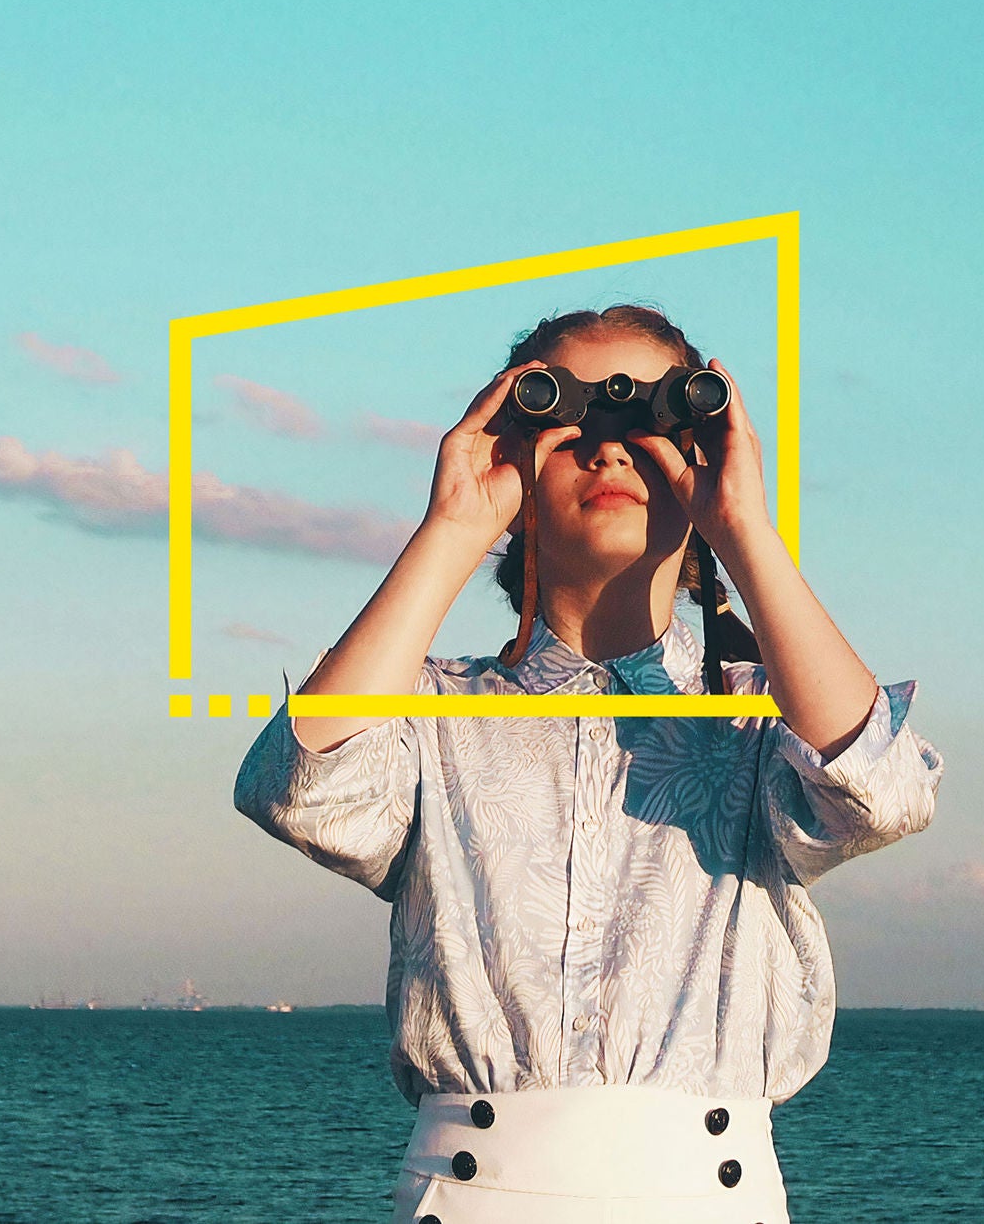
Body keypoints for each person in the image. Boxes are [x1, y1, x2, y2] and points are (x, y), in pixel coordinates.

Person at [234, 304, 946, 1223]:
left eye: (653, 425)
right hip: (473, 1192)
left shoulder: (762, 715)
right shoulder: (433, 713)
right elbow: (302, 788)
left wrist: (745, 531)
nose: (612, 450)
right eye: (565, 420)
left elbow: (879, 792)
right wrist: (452, 526)